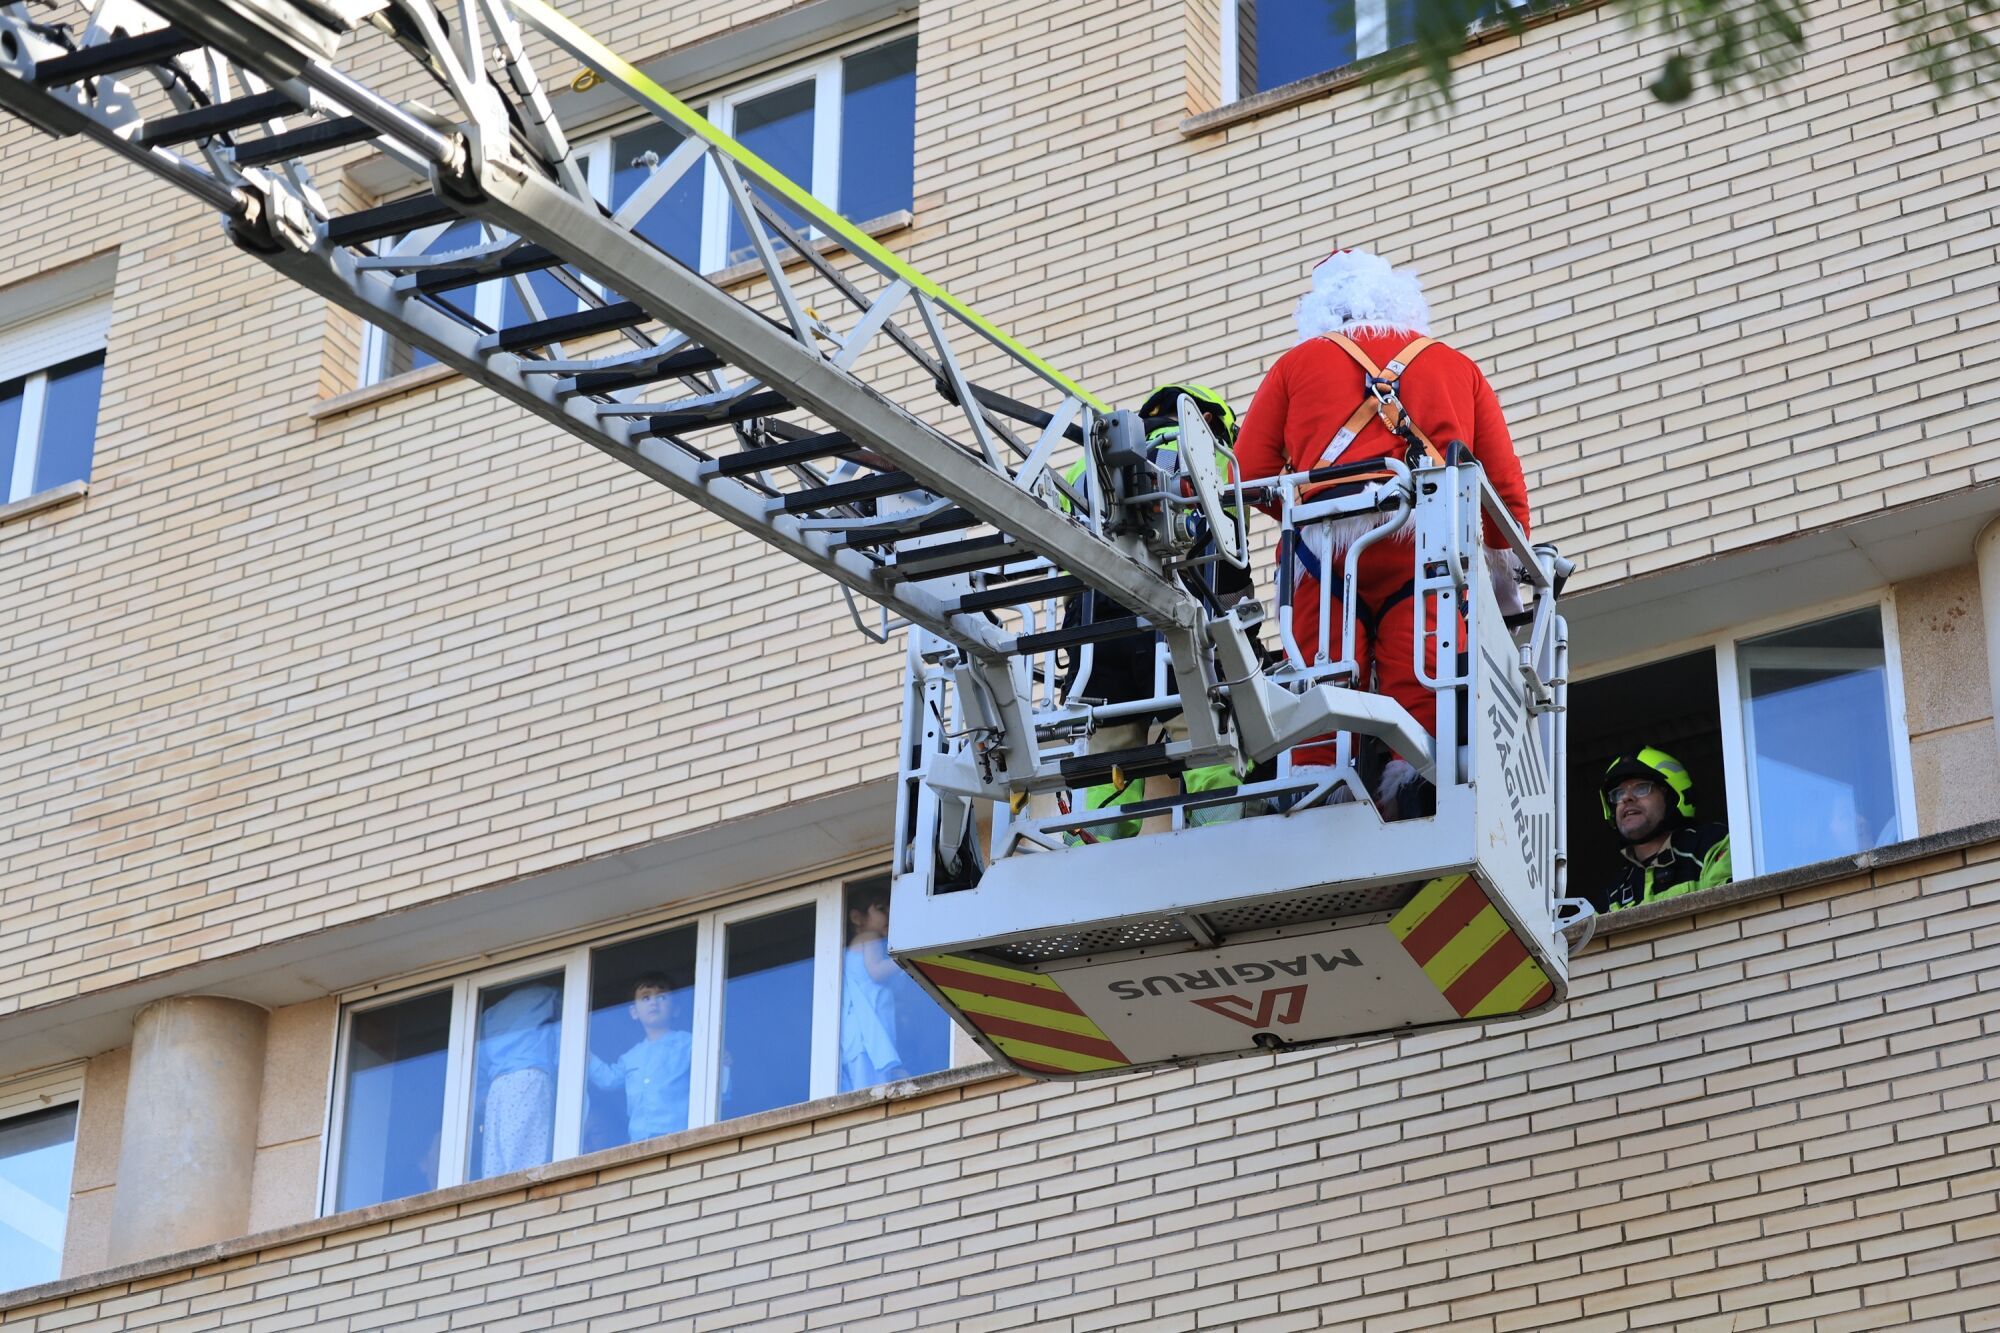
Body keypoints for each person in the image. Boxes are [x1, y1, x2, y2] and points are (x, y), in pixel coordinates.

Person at [1234, 248, 1533, 817]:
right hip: (1426, 548)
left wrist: (1305, 515)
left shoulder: (1296, 365)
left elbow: (1246, 478)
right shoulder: (1456, 366)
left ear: (1322, 310)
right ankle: (1417, 792)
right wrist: (1504, 589)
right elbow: (1505, 499)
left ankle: (1318, 796)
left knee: (1326, 677)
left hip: (1324, 553)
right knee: (1424, 676)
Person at [1058, 383, 1259, 840]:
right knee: (1205, 736)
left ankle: (1090, 853)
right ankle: (1222, 840)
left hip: (1094, 626)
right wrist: (1249, 647)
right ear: (1207, 420)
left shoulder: (1088, 462)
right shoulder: (1202, 457)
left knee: (1108, 754)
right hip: (1169, 620)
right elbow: (1225, 564)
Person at [1599, 746, 1732, 912]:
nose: (1626, 798)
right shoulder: (1614, 893)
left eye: (1641, 788)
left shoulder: (1710, 846)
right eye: (1618, 794)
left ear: (1671, 797)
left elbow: (1731, 918)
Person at [587, 973, 694, 1143]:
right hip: (639, 1139)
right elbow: (608, 1079)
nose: (654, 1002)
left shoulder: (688, 1043)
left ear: (675, 1009)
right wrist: (584, 1054)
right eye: (645, 998)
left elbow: (709, 1077)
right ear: (634, 1012)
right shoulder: (631, 1057)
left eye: (662, 996)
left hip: (677, 1133)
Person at [475, 978, 561, 1176]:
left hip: (496, 1089)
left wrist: (482, 1098)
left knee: (496, 1166)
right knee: (526, 1164)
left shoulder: (489, 1014)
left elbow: (477, 1066)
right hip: (531, 1079)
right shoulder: (551, 995)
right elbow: (565, 1042)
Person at [840, 885, 908, 1090]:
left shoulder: (859, 944)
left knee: (865, 1082)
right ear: (856, 917)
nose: (888, 914)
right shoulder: (869, 938)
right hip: (865, 1036)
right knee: (871, 1085)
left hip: (861, 1034)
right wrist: (906, 960)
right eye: (880, 908)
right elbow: (876, 971)